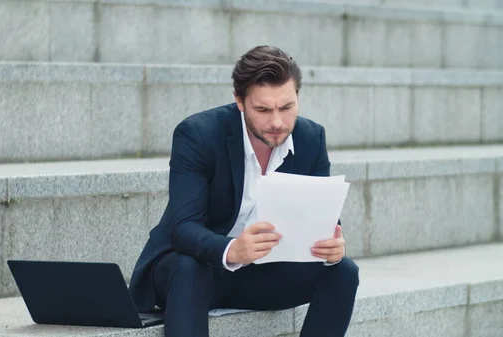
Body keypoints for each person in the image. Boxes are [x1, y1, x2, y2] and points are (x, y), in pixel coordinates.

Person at [128, 45, 359, 337]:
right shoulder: (198, 134)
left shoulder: (311, 138)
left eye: (286, 107)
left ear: (297, 97)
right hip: (197, 270)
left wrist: (332, 246)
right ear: (239, 101)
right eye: (263, 109)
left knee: (343, 271)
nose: (277, 121)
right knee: (189, 269)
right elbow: (183, 229)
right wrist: (232, 250)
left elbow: (322, 216)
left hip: (262, 273)